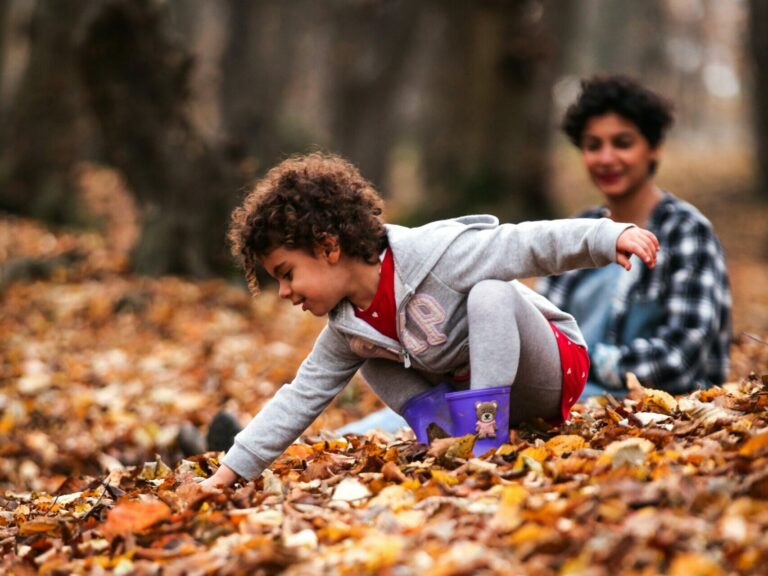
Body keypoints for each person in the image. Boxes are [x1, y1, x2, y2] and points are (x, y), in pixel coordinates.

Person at [200, 152, 658, 488]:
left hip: (549, 369)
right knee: (369, 351)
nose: (284, 292)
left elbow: (524, 243)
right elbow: (300, 397)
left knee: (491, 292)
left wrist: (606, 235)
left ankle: (485, 436)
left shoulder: (438, 255)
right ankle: (447, 432)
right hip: (476, 388)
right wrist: (228, 473)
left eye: (286, 273)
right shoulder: (346, 326)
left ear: (327, 246)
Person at [537, 75, 732, 398]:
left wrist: (578, 365)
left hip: (663, 422)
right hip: (566, 415)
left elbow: (680, 358)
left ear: (653, 149)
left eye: (622, 143)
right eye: (593, 145)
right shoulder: (576, 230)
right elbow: (542, 333)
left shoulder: (686, 231)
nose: (606, 158)